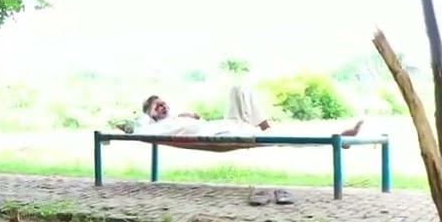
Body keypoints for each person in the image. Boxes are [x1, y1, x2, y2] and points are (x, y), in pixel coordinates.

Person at [132, 85, 364, 138]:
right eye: (157, 106)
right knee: (272, 137)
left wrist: (192, 116)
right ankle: (341, 137)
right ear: (150, 114)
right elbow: (137, 126)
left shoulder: (177, 116)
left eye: (164, 104)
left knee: (238, 88)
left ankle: (264, 126)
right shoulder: (152, 126)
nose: (163, 107)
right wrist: (147, 116)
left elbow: (199, 122)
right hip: (221, 133)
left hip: (222, 124)